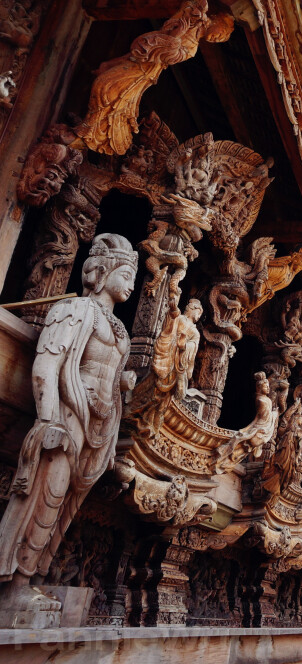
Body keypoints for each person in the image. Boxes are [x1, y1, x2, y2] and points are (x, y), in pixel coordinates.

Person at [0, 234, 137, 617]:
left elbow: (110, 379)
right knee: (46, 494)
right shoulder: (75, 310)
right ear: (103, 271)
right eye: (125, 273)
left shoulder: (120, 331)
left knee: (65, 507)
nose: (130, 283)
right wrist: (48, 419)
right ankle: (14, 585)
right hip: (69, 413)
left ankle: (35, 577)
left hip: (99, 425)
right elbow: (47, 367)